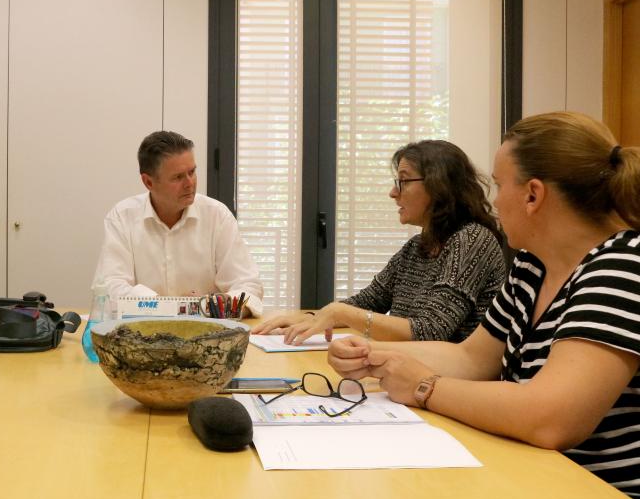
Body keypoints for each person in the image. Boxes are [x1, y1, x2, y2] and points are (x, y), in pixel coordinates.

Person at [329, 112, 640, 499]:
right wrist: (374, 353)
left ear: (533, 195)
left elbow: (552, 418)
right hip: (535, 481)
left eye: (497, 185)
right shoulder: (533, 264)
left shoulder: (622, 267)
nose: (493, 200)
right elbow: (472, 358)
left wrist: (425, 387)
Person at [254, 140, 506, 343]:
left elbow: (431, 329)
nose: (393, 192)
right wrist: (310, 318)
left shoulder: (472, 239)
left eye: (403, 181)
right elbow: (368, 302)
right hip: (409, 372)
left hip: (449, 384)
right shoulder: (417, 247)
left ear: (439, 185)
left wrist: (339, 312)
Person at [92, 130, 264, 317]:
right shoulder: (122, 217)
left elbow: (249, 285)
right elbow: (109, 287)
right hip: (143, 333)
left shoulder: (217, 215)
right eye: (178, 177)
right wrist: (164, 306)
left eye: (192, 172)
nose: (189, 183)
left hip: (207, 332)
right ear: (148, 182)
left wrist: (215, 306)